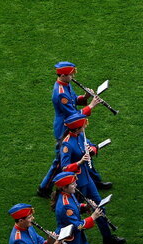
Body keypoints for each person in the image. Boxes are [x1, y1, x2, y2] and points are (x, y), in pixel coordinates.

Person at [37, 61, 107, 197]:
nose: (73, 77)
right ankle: (44, 188)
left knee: (84, 150)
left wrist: (85, 97)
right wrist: (91, 106)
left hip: (74, 126)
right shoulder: (60, 93)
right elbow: (72, 115)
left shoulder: (66, 84)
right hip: (65, 128)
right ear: (62, 75)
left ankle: (95, 180)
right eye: (70, 75)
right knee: (59, 161)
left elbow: (74, 100)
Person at [58, 115, 125, 244]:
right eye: (83, 125)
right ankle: (73, 240)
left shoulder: (80, 135)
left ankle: (107, 237)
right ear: (77, 129)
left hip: (88, 180)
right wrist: (79, 162)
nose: (85, 127)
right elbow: (64, 167)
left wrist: (92, 149)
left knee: (99, 207)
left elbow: (91, 144)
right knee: (74, 212)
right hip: (75, 184)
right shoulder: (67, 144)